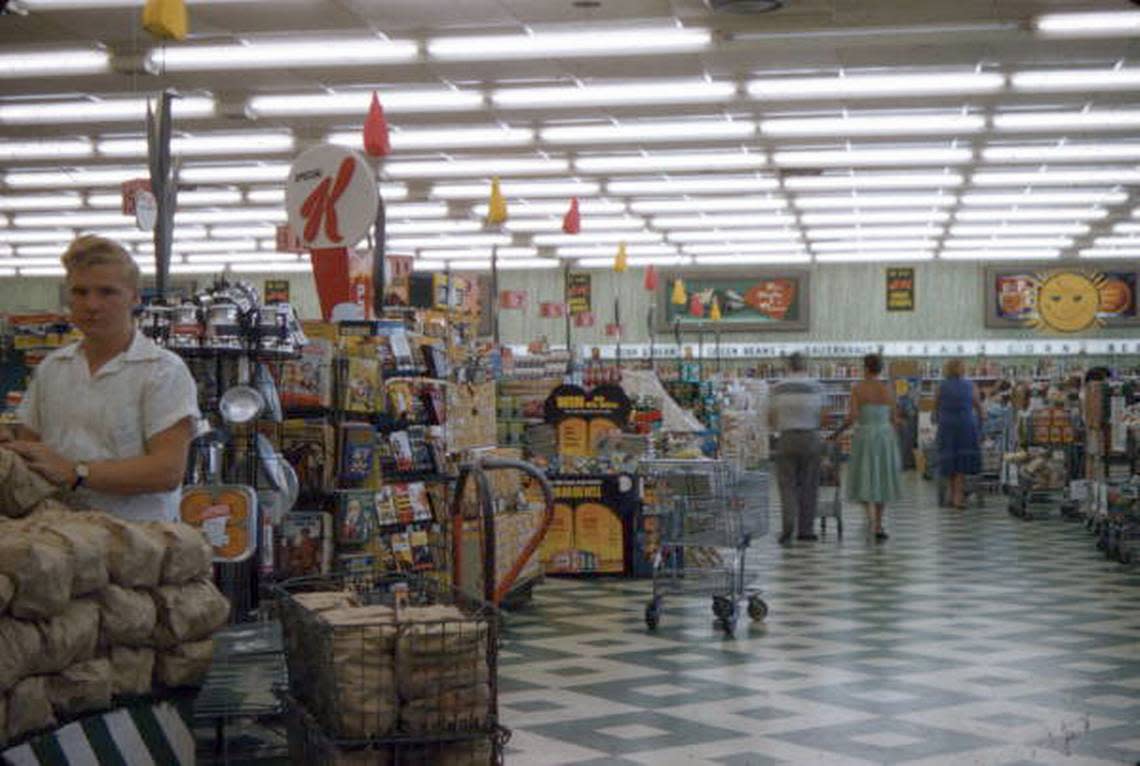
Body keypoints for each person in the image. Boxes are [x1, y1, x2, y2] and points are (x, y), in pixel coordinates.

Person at [1, 235, 199, 523]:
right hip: (60, 539)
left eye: (107, 292)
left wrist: (77, 472)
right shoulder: (52, 369)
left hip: (138, 547)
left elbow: (167, 470)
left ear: (134, 297)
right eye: (80, 292)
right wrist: (11, 448)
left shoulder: (163, 371)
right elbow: (33, 454)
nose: (91, 305)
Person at [837, 353, 902, 542]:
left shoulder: (858, 389)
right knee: (882, 477)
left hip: (865, 436)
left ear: (865, 368)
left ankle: (870, 518)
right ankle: (879, 523)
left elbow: (853, 416)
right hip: (884, 437)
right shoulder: (888, 390)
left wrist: (837, 432)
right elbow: (894, 418)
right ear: (880, 369)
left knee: (864, 475)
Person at [769, 352, 825, 544]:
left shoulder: (778, 388)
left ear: (788, 366)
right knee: (809, 486)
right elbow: (824, 417)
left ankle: (787, 527)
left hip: (786, 439)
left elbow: (771, 417)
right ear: (805, 366)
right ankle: (806, 530)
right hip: (810, 438)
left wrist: (779, 429)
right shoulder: (816, 386)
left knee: (787, 485)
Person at [935, 358, 985, 509]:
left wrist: (940, 419)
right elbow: (979, 407)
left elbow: (935, 407)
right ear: (961, 369)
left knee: (950, 461)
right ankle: (958, 497)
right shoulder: (970, 386)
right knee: (962, 463)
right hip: (965, 425)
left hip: (947, 426)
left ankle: (952, 494)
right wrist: (982, 420)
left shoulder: (941, 386)